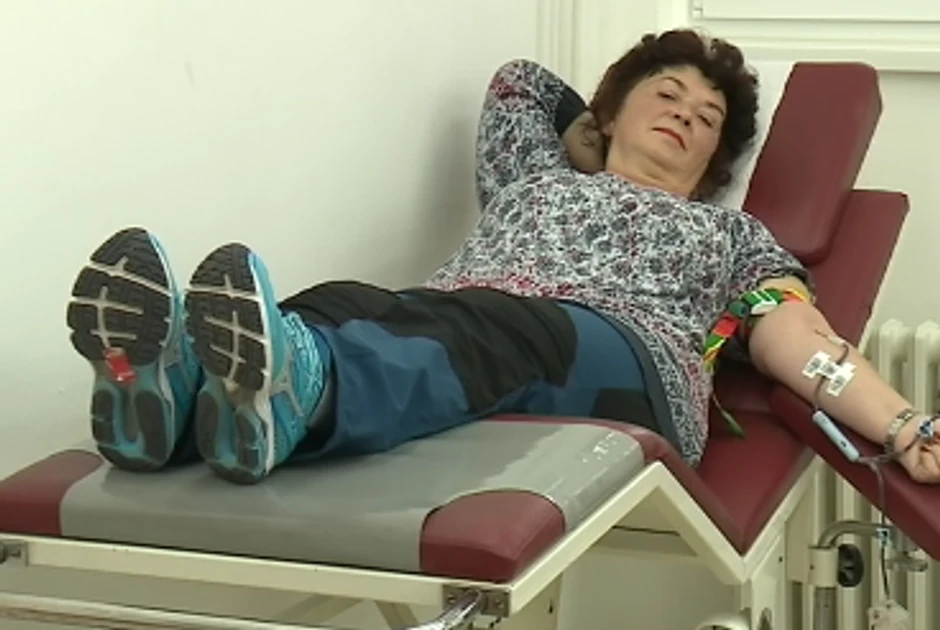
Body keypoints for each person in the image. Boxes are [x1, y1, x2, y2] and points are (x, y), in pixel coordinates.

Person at [66, 29, 940, 486]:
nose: (683, 113)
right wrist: (589, 143)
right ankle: (175, 404)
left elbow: (797, 339)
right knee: (344, 299)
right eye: (665, 94)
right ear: (610, 112)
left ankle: (306, 393)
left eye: (706, 118)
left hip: (625, 356)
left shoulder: (730, 236)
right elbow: (520, 83)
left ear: (716, 161)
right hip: (464, 312)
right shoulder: (534, 173)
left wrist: (905, 424)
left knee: (503, 330)